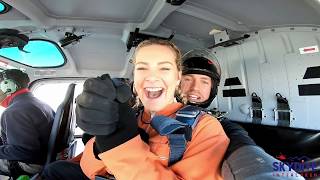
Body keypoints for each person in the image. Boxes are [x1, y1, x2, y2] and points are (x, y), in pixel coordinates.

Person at [43, 39, 229, 180]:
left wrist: (120, 145)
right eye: (142, 68)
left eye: (164, 68)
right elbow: (87, 168)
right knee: (54, 170)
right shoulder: (130, 115)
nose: (152, 77)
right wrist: (100, 141)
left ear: (178, 77)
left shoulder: (206, 127)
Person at [179, 49, 304, 180]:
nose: (194, 88)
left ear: (212, 88)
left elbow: (241, 145)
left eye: (204, 81)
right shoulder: (158, 113)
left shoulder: (221, 124)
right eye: (187, 79)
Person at [0, 69, 55, 178]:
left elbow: (24, 152)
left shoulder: (14, 112)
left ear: (7, 86)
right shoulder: (38, 103)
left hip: (30, 164)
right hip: (45, 156)